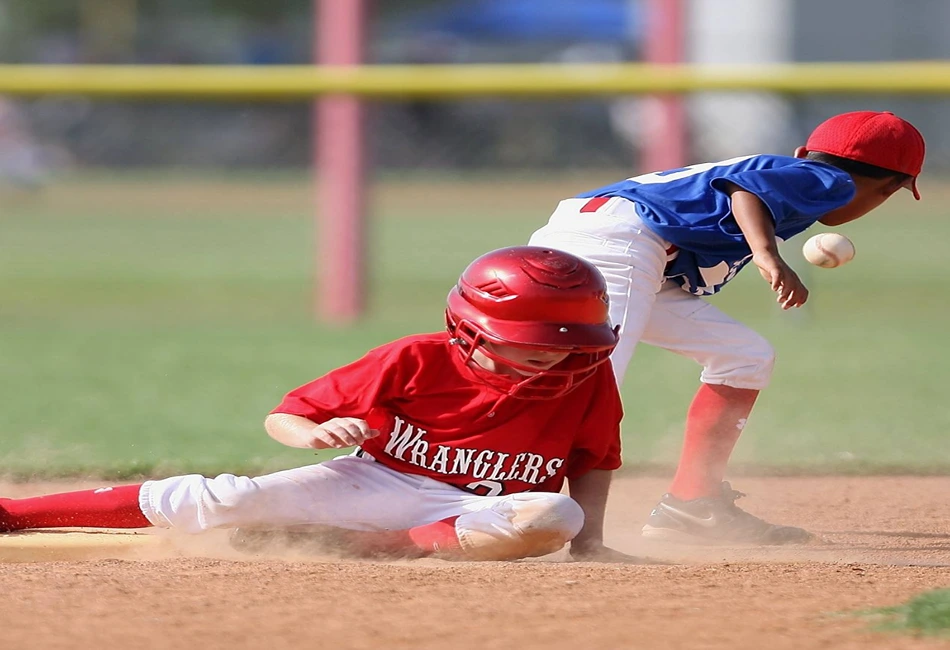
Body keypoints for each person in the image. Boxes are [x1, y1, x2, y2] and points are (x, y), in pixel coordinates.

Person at [0, 246, 641, 563]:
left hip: (480, 508)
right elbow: (286, 416)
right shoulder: (414, 358)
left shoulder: (589, 378)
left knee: (558, 516)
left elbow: (593, 461)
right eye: (530, 345)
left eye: (568, 344)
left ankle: (408, 542)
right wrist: (312, 436)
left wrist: (591, 543)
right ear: (469, 329)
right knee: (224, 498)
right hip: (373, 478)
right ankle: (13, 512)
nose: (554, 358)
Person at [526, 110, 926, 545]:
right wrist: (766, 253)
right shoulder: (832, 180)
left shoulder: (790, 169)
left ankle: (692, 507)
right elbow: (746, 192)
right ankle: (509, 501)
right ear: (890, 188)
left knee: (743, 356)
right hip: (620, 244)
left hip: (615, 240)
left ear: (803, 152)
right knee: (594, 388)